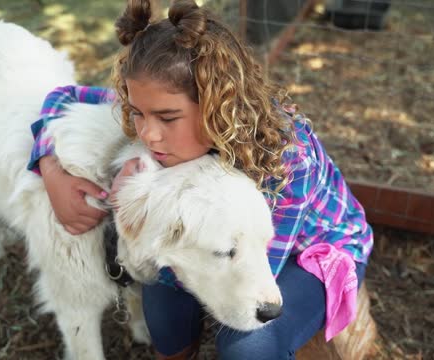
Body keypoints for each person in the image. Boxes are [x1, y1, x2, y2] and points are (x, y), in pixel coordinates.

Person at [27, 0, 373, 359]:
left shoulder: (287, 156)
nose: (147, 134)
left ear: (214, 103)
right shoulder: (160, 98)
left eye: (167, 118)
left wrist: (146, 237)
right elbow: (61, 98)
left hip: (308, 247)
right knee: (164, 315)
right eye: (136, 113)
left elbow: (256, 268)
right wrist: (51, 169)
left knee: (248, 347)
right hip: (220, 241)